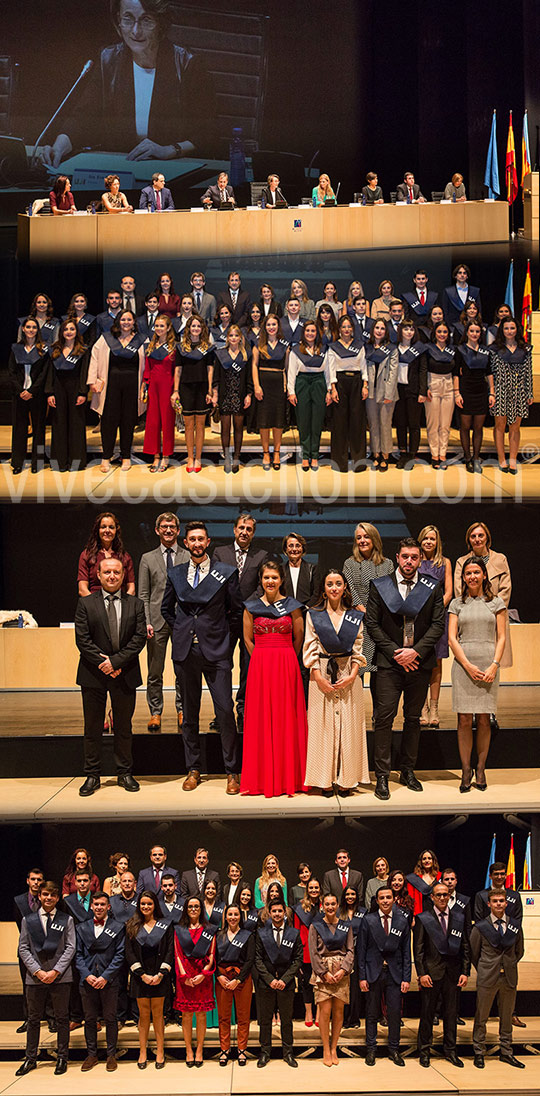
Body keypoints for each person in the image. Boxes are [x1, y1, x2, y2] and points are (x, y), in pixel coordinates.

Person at [38, 0, 216, 167]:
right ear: (118, 21)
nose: (135, 31)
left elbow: (207, 133)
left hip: (172, 168)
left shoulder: (187, 63)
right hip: (122, 166)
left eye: (146, 20)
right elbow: (83, 117)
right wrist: (58, 147)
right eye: (128, 19)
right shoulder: (108, 59)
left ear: (160, 23)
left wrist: (169, 150)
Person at [161, 520, 242, 794]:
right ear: (186, 543)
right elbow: (166, 609)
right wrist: (185, 630)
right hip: (186, 652)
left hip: (217, 652)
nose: (196, 543)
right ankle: (193, 769)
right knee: (190, 714)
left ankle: (232, 772)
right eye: (192, 539)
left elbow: (235, 612)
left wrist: (221, 638)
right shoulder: (176, 573)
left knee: (225, 712)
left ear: (208, 543)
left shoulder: (226, 572)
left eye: (201, 539)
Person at [366, 537, 445, 800]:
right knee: (384, 719)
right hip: (389, 663)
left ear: (419, 559)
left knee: (413, 719)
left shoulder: (430, 586)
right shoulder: (380, 585)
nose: (409, 561)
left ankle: (408, 770)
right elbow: (372, 624)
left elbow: (437, 624)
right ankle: (382, 776)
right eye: (405, 556)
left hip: (419, 664)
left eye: (414, 557)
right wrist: (396, 653)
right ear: (397, 558)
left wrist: (416, 652)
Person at [75, 556, 147, 797]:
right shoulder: (85, 603)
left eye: (117, 572)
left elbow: (138, 639)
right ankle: (92, 775)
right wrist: (104, 664)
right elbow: (82, 640)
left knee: (124, 727)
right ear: (98, 575)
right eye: (107, 572)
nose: (112, 576)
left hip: (125, 672)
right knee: (92, 728)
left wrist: (115, 662)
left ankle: (124, 773)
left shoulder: (136, 604)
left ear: (123, 574)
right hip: (93, 674)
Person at [241, 559, 308, 797]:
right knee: (261, 719)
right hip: (261, 665)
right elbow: (247, 639)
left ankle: (288, 777)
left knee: (286, 717)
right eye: (266, 577)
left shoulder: (293, 606)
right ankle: (262, 778)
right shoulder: (251, 606)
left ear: (281, 580)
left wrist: (286, 655)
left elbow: (299, 637)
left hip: (286, 663)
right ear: (261, 580)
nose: (270, 581)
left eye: (274, 577)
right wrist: (261, 657)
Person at [304, 569, 368, 796]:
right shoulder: (314, 614)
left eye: (338, 583)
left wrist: (353, 674)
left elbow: (358, 647)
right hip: (320, 673)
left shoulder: (353, 616)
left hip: (348, 673)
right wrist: (318, 677)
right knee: (322, 727)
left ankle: (347, 779)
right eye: (329, 583)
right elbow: (310, 645)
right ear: (323, 589)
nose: (334, 587)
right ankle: (324, 779)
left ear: (344, 588)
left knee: (349, 728)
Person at [448, 556, 506, 792]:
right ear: (463, 577)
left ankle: (480, 768)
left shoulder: (497, 603)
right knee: (463, 719)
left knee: (483, 719)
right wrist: (468, 665)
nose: (472, 576)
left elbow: (501, 637)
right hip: (464, 666)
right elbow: (452, 638)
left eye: (476, 572)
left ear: (484, 575)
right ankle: (465, 770)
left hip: (488, 665)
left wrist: (494, 665)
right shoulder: (456, 604)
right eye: (468, 573)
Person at [212, 513, 268, 731]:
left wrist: (246, 605)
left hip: (250, 618)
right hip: (224, 618)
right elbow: (215, 581)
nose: (245, 532)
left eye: (249, 529)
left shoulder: (261, 555)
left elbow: (262, 585)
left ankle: (243, 710)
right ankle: (222, 712)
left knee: (248, 666)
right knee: (222, 665)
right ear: (234, 530)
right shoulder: (220, 552)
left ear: (253, 533)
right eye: (242, 528)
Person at [16, 880, 76, 1078]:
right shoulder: (28, 920)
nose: (48, 898)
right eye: (45, 895)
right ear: (39, 896)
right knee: (33, 1019)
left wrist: (56, 971)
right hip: (35, 978)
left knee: (61, 1019)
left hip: (60, 977)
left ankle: (62, 1057)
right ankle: (30, 1058)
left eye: (52, 895)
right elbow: (23, 948)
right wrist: (37, 971)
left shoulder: (65, 919)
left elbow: (70, 947)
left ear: (57, 898)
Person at [139, 512, 189, 732]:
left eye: (172, 526)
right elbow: (143, 594)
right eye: (164, 526)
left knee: (183, 670)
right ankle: (155, 712)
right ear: (157, 530)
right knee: (155, 671)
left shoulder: (188, 556)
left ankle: (182, 710)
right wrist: (146, 622)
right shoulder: (147, 558)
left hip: (181, 621)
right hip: (156, 622)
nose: (168, 530)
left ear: (178, 531)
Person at [414, 881, 469, 1068]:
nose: (442, 898)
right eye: (439, 895)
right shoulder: (423, 918)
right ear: (432, 897)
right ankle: (424, 1051)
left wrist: (465, 971)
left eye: (445, 895)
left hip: (453, 974)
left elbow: (465, 947)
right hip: (431, 974)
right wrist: (421, 973)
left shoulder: (459, 918)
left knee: (451, 1014)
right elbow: (419, 949)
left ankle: (450, 1051)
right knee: (428, 1013)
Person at [342, 522, 394, 718]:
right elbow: (349, 589)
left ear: (374, 539)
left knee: (379, 671)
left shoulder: (387, 564)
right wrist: (361, 607)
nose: (362, 541)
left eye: (366, 537)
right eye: (359, 538)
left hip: (380, 621)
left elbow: (389, 591)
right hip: (357, 621)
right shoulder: (349, 563)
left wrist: (374, 611)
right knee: (358, 667)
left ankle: (379, 713)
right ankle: (355, 713)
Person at [470, 891, 525, 1070]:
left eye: (502, 901)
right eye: (495, 901)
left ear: (506, 903)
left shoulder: (515, 925)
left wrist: (507, 964)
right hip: (488, 976)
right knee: (482, 1017)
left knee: (507, 1016)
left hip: (508, 976)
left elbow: (519, 951)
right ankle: (479, 1051)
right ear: (489, 904)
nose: (499, 904)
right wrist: (485, 968)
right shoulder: (480, 927)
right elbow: (474, 953)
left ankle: (507, 1052)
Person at [358, 885, 411, 1067]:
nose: (386, 901)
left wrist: (406, 978)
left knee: (394, 1014)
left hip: (395, 974)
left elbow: (406, 952)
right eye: (382, 898)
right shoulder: (368, 920)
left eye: (389, 897)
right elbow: (362, 950)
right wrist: (362, 977)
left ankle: (394, 1050)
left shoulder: (401, 921)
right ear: (377, 901)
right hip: (373, 973)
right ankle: (371, 1049)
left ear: (394, 899)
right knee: (372, 1013)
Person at [88, 308, 146, 472]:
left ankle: (126, 456)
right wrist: (92, 381)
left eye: (129, 320)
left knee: (128, 422)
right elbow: (94, 357)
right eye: (123, 319)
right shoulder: (106, 339)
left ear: (134, 322)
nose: (126, 323)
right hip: (110, 386)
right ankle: (106, 457)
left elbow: (146, 364)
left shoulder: (141, 340)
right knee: (108, 421)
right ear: (118, 321)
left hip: (132, 387)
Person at [76, 891, 125, 1073]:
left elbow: (120, 955)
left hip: (109, 981)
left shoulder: (118, 927)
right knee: (89, 1019)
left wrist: (105, 976)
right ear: (91, 906)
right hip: (87, 980)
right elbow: (78, 955)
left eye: (102, 904)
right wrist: (87, 975)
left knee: (111, 1018)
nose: (99, 907)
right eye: (96, 904)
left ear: (108, 907)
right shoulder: (81, 927)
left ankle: (111, 1055)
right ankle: (92, 1054)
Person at [454, 521, 512, 671]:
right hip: (471, 614)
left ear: (487, 538)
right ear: (469, 540)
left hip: (495, 614)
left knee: (494, 659)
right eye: (473, 536)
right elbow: (459, 590)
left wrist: (492, 608)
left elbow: (506, 589)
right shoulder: (461, 562)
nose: (477, 539)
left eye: (481, 535)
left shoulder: (500, 559)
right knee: (470, 661)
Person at [125, 891, 173, 1070]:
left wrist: (160, 974)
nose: (146, 907)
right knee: (144, 1015)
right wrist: (142, 975)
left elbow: (169, 951)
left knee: (159, 1015)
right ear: (139, 905)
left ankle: (160, 1050)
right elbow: (129, 953)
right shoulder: (132, 925)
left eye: (149, 904)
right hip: (141, 977)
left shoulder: (165, 925)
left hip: (159, 976)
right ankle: (143, 1051)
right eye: (143, 904)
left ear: (155, 906)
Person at [255, 899, 303, 1068]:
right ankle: (265, 1052)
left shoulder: (294, 933)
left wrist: (284, 980)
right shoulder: (261, 933)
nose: (276, 914)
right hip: (266, 984)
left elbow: (298, 960)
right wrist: (270, 980)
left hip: (286, 984)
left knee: (287, 1020)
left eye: (279, 911)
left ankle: (288, 1053)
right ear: (269, 913)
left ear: (285, 913)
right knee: (265, 1020)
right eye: (273, 911)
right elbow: (258, 959)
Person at [308, 893, 354, 1066]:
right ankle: (326, 1049)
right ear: (322, 905)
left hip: (341, 972)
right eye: (327, 904)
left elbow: (350, 949)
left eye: (333, 903)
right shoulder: (316, 926)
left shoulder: (345, 926)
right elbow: (313, 952)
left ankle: (334, 1048)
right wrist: (324, 972)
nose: (330, 907)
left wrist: (343, 970)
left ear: (337, 905)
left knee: (339, 1012)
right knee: (325, 1013)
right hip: (323, 973)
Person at [174, 896, 217, 1066]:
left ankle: (199, 1048)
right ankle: (188, 1050)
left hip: (202, 977)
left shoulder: (209, 929)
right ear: (186, 909)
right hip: (184, 977)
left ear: (201, 909)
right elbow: (177, 953)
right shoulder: (179, 930)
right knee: (186, 1015)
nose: (193, 909)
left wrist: (204, 974)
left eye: (196, 906)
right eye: (190, 906)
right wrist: (184, 976)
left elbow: (212, 955)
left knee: (200, 1015)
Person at [418, 525, 452, 728]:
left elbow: (448, 591)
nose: (429, 542)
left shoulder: (445, 562)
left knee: (437, 663)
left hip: (438, 617)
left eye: (432, 539)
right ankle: (422, 708)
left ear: (437, 541)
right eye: (425, 539)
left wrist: (436, 610)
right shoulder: (415, 561)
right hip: (419, 617)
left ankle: (435, 707)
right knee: (420, 663)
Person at [44, 319, 89, 472]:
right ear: (61, 332)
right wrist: (49, 392)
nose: (69, 332)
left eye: (72, 329)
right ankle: (59, 463)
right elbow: (50, 373)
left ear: (77, 331)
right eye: (66, 329)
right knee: (59, 424)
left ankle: (76, 462)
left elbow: (84, 373)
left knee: (76, 425)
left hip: (76, 389)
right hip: (58, 390)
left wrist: (83, 392)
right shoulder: (54, 350)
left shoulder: (83, 350)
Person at [288, 321, 332, 471]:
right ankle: (305, 456)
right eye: (307, 331)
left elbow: (328, 372)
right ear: (303, 332)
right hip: (302, 383)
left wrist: (329, 390)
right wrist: (291, 391)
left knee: (317, 421)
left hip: (319, 383)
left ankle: (315, 455)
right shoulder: (296, 350)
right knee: (303, 421)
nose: (310, 333)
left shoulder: (324, 349)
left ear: (317, 333)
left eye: (313, 331)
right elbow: (291, 372)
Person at [491, 318, 533, 473]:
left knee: (515, 426)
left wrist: (529, 392)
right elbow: (491, 374)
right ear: (502, 330)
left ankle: (513, 459)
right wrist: (492, 392)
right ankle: (502, 459)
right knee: (500, 426)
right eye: (506, 328)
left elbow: (528, 372)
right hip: (500, 391)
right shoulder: (494, 349)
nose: (509, 331)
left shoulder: (525, 349)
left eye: (512, 328)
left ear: (517, 329)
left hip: (519, 391)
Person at [173, 315, 214, 472]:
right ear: (188, 328)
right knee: (189, 425)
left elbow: (210, 369)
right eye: (193, 326)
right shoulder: (181, 348)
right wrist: (176, 390)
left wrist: (210, 389)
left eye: (198, 326)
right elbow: (178, 370)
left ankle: (198, 459)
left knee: (201, 425)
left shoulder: (208, 347)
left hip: (203, 388)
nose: (195, 329)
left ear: (202, 329)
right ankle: (190, 457)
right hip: (186, 388)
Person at [327, 314, 368, 471]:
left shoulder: (359, 345)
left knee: (358, 422)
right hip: (340, 384)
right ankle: (339, 462)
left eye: (349, 327)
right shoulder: (333, 347)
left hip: (357, 383)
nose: (346, 329)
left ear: (353, 329)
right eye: (343, 326)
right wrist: (333, 388)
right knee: (339, 423)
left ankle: (359, 462)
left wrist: (365, 385)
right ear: (339, 329)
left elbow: (364, 365)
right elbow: (331, 368)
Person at [215, 902, 255, 1065]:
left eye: (236, 914)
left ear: (240, 916)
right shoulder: (218, 935)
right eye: (230, 914)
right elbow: (214, 958)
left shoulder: (248, 935)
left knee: (243, 1017)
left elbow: (250, 959)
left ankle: (242, 1050)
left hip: (242, 978)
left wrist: (238, 979)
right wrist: (218, 976)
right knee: (223, 1017)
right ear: (225, 916)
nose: (233, 917)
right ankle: (224, 1049)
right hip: (222, 978)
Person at [8, 317, 48, 474]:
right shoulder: (15, 348)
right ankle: (17, 463)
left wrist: (32, 391)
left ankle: (36, 463)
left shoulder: (43, 349)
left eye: (34, 327)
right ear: (23, 329)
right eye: (28, 327)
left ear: (37, 330)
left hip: (36, 395)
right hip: (19, 394)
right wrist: (20, 391)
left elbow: (44, 373)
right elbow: (11, 372)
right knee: (19, 429)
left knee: (38, 429)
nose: (31, 330)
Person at [454, 321, 495, 473]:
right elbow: (456, 374)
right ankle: (467, 457)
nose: (474, 334)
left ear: (480, 333)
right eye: (472, 331)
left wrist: (492, 392)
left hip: (481, 392)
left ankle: (476, 458)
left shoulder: (486, 351)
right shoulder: (460, 350)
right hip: (465, 391)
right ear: (467, 332)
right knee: (465, 427)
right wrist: (457, 393)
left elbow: (489, 373)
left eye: (477, 331)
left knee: (478, 427)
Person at [212, 325, 253, 472]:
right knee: (225, 428)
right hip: (225, 394)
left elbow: (249, 377)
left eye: (236, 335)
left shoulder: (246, 355)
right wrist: (215, 394)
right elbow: (216, 376)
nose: (234, 338)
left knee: (238, 428)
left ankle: (236, 457)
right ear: (227, 338)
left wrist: (249, 394)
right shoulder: (220, 354)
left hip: (240, 395)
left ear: (240, 338)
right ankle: (227, 458)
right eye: (231, 336)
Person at [141, 315, 178, 471]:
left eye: (162, 326)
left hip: (167, 386)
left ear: (168, 328)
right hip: (153, 387)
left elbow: (177, 369)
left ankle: (166, 456)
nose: (159, 328)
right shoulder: (151, 345)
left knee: (167, 422)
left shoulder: (174, 347)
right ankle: (155, 455)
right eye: (156, 326)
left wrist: (175, 390)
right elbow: (147, 368)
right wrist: (144, 385)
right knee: (153, 421)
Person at [252, 314, 289, 469]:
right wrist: (256, 385)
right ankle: (266, 452)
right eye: (268, 325)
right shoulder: (258, 344)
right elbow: (254, 365)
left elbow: (286, 368)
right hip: (263, 385)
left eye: (274, 324)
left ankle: (277, 452)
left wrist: (287, 385)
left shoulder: (284, 346)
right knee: (264, 420)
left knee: (278, 420)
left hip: (279, 385)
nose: (271, 327)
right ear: (264, 327)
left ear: (278, 327)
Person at [364, 318, 398, 470]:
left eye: (382, 328)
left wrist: (389, 394)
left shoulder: (392, 348)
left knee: (385, 424)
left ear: (386, 331)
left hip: (386, 391)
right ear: (372, 330)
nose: (379, 331)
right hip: (371, 391)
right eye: (377, 328)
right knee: (373, 424)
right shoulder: (367, 347)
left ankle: (386, 454)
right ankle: (375, 452)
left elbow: (393, 372)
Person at [13, 869, 44, 1034]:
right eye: (33, 879)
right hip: (27, 947)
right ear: (28, 881)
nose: (36, 882)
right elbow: (20, 926)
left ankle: (51, 1018)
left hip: (46, 948)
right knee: (27, 986)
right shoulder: (19, 901)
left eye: (39, 879)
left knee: (49, 984)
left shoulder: (46, 900)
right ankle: (29, 1018)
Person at [394, 319, 427, 467]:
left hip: (413, 390)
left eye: (411, 329)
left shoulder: (419, 349)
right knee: (400, 423)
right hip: (398, 390)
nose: (409, 332)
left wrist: (422, 391)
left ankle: (412, 454)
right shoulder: (394, 348)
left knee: (414, 424)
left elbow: (422, 371)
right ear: (400, 331)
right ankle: (402, 453)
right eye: (406, 329)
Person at [78, 511, 135, 597]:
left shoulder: (125, 556)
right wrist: (96, 606)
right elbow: (82, 589)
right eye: (103, 527)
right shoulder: (87, 555)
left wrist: (124, 607)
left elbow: (131, 589)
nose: (107, 530)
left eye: (111, 527)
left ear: (116, 530)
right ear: (98, 530)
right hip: (94, 606)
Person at [423, 320, 456, 468]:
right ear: (434, 333)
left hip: (449, 387)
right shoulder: (428, 349)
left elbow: (456, 372)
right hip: (433, 385)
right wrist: (425, 388)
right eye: (439, 332)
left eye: (444, 332)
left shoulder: (452, 350)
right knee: (433, 423)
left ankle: (443, 454)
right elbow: (423, 369)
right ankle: (434, 454)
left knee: (445, 424)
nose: (442, 335)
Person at [293, 877, 321, 1026]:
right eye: (311, 888)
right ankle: (309, 1012)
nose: (314, 890)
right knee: (306, 983)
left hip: (323, 950)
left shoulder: (325, 905)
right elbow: (296, 931)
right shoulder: (300, 908)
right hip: (306, 951)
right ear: (307, 890)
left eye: (316, 888)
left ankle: (320, 1013)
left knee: (321, 984)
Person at [282, 532, 316, 604]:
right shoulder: (280, 570)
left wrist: (307, 608)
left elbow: (317, 593)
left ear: (303, 549)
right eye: (291, 546)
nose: (294, 549)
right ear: (285, 549)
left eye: (298, 546)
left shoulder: (312, 569)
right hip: (285, 611)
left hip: (307, 610)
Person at [407, 850, 441, 915]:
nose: (427, 861)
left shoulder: (440, 876)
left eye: (429, 858)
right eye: (424, 859)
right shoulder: (414, 878)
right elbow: (411, 899)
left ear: (433, 861)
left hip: (437, 911)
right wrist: (413, 915)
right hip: (420, 912)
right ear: (421, 862)